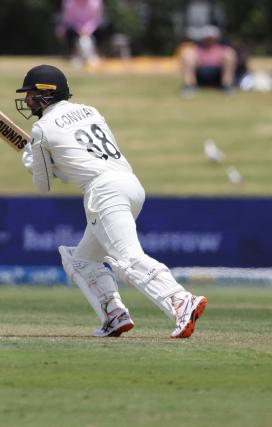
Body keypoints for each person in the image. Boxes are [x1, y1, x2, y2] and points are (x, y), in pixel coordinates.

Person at [15, 64, 207, 338]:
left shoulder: (41, 129)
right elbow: (80, 158)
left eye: (30, 94)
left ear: (46, 94)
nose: (26, 101)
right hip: (130, 184)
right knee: (81, 261)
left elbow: (43, 185)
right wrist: (46, 159)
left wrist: (32, 162)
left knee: (127, 258)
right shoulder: (90, 111)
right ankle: (113, 315)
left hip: (103, 192)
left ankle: (180, 300)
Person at [179, 25, 238, 97]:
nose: (209, 41)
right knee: (188, 55)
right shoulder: (196, 50)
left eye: (211, 38)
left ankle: (227, 85)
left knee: (229, 55)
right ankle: (189, 86)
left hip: (217, 75)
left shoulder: (223, 50)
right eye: (207, 38)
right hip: (200, 74)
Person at [55, 0, 103, 67]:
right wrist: (79, 30)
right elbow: (69, 20)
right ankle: (73, 55)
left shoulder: (96, 2)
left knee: (101, 30)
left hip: (92, 28)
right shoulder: (69, 3)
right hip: (75, 28)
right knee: (68, 32)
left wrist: (88, 30)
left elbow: (96, 20)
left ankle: (96, 54)